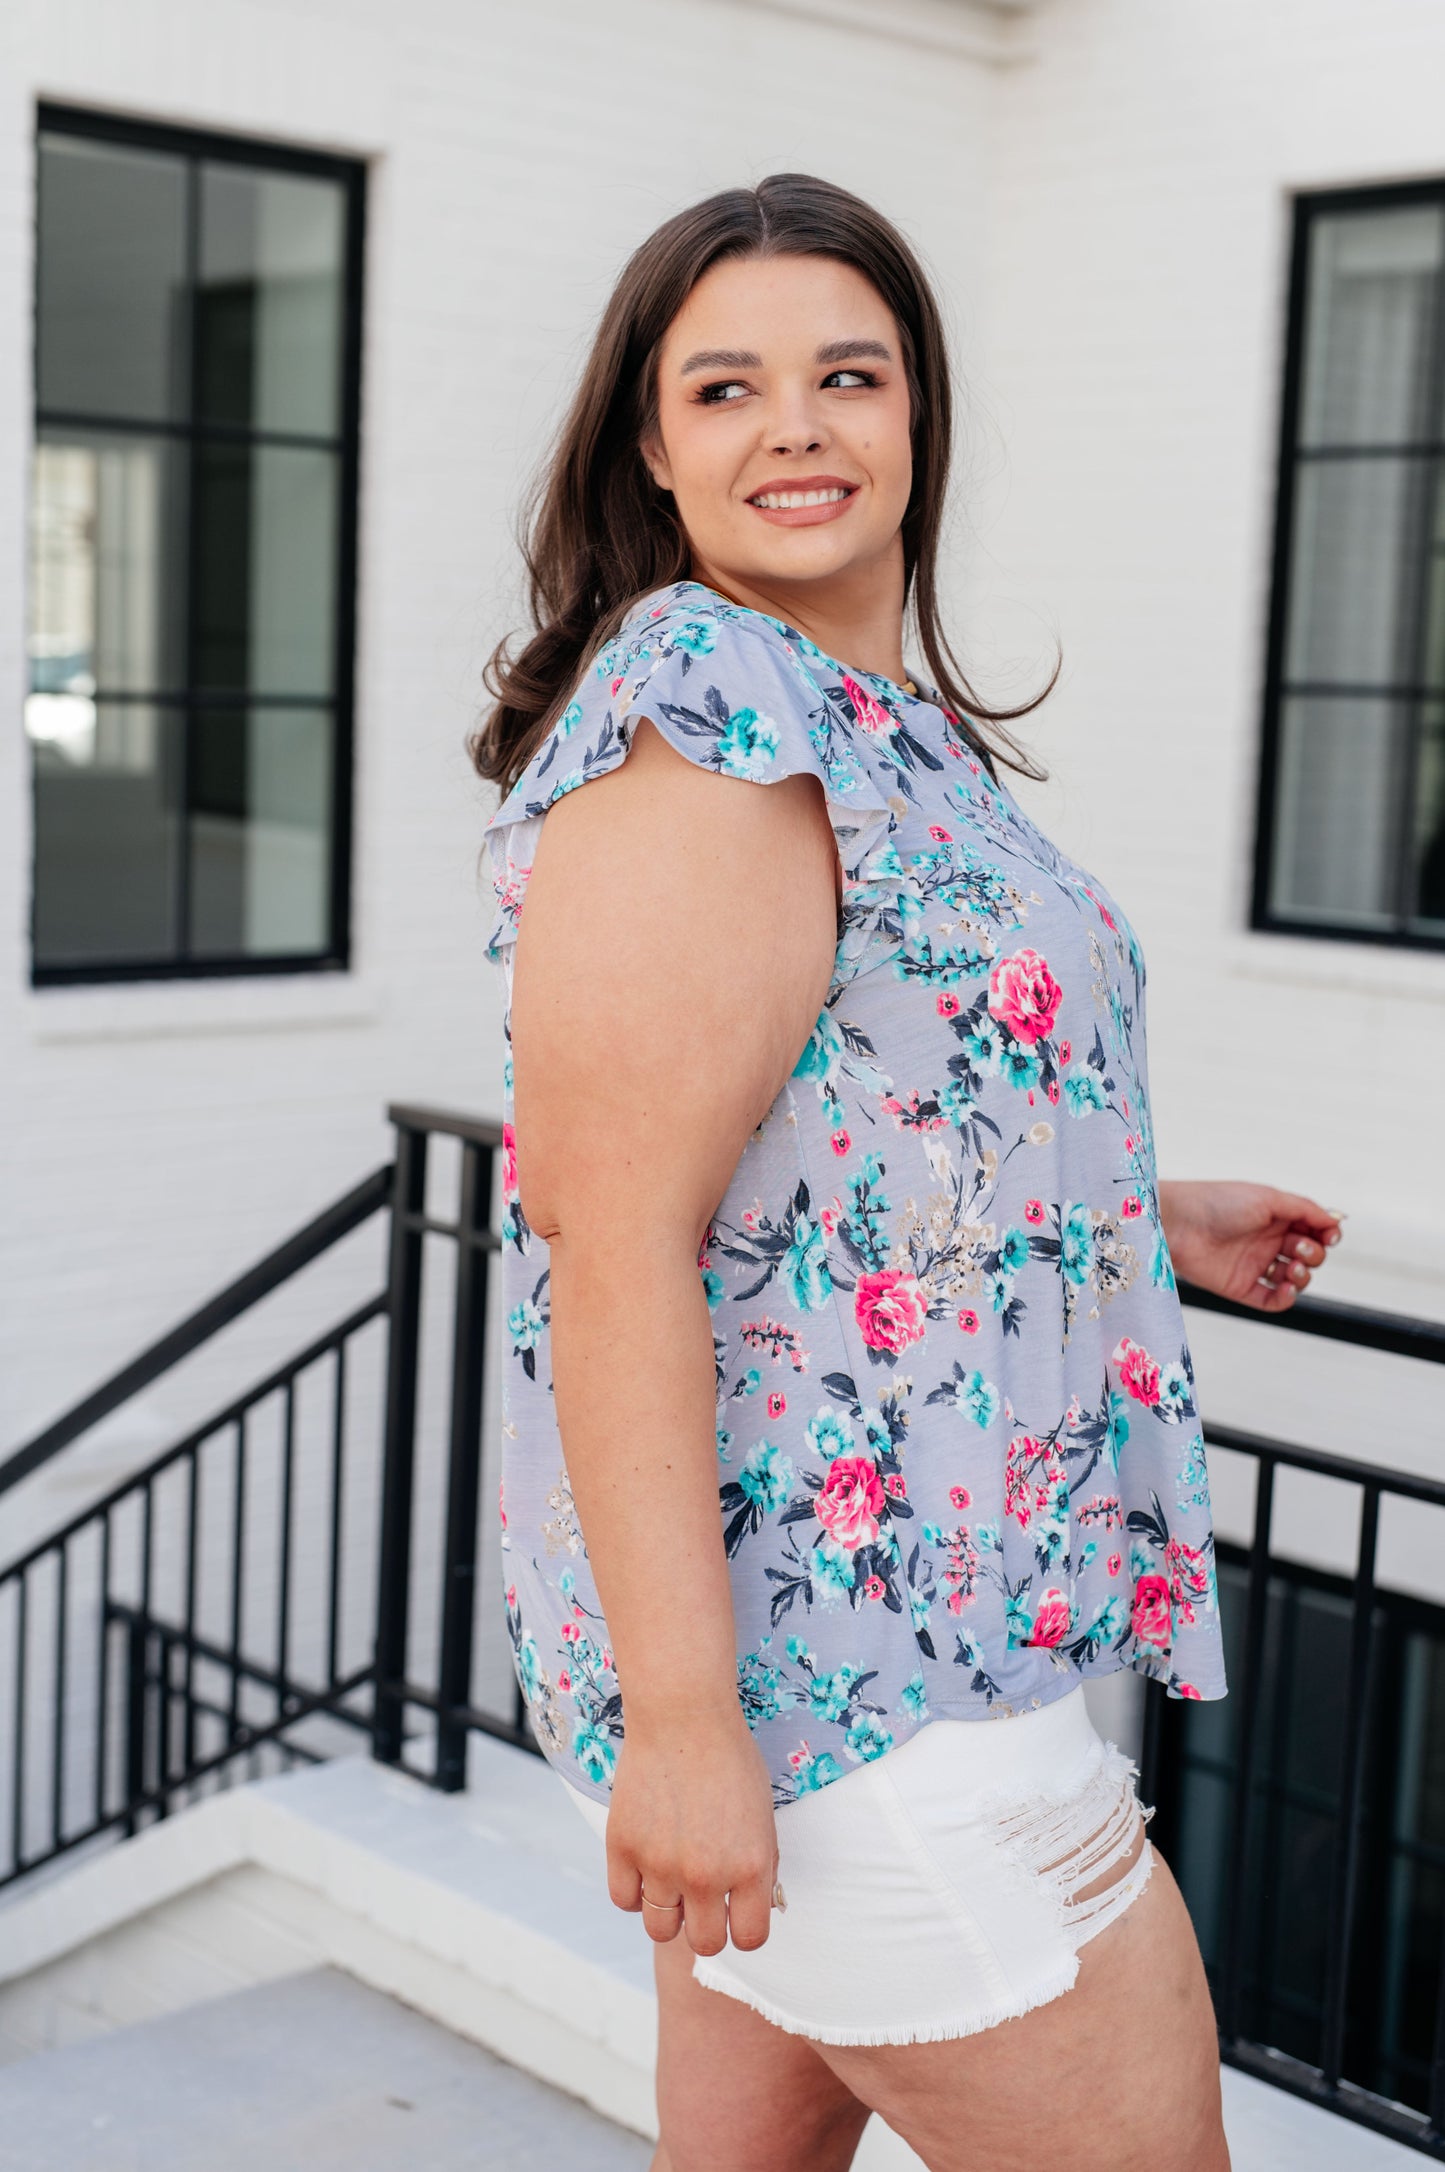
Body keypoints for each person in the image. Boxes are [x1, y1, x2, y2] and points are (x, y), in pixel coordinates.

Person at [471, 173, 1344, 2172]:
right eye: (727, 387)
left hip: (869, 1667)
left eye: (848, 374)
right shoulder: (715, 722)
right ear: (653, 444)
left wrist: (1140, 1210)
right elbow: (616, 1248)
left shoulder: (879, 724)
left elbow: (864, 1099)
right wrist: (692, 1735)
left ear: (917, 415)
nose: (797, 426)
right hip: (851, 1703)